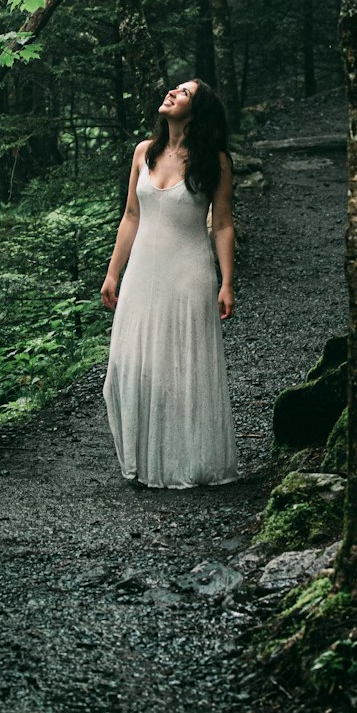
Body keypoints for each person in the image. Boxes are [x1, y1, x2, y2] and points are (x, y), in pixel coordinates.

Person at [100, 78, 239, 489]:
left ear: (197, 111)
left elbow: (224, 224)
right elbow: (131, 215)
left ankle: (188, 463)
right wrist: (113, 272)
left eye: (184, 93)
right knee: (129, 365)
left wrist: (227, 282)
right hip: (143, 271)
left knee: (182, 369)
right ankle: (143, 461)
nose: (172, 93)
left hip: (188, 274)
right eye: (174, 88)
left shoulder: (214, 161)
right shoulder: (144, 152)